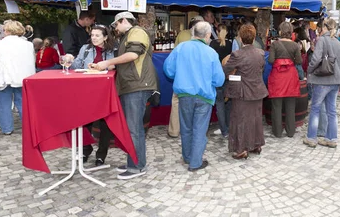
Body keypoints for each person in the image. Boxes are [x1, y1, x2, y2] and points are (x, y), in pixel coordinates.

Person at [89, 12, 158, 180]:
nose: (115, 28)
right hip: (132, 85)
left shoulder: (137, 32)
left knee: (134, 129)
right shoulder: (130, 34)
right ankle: (133, 162)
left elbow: (133, 55)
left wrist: (108, 62)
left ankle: (137, 167)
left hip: (136, 86)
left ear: (124, 21)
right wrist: (108, 67)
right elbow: (129, 61)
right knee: (133, 129)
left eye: (116, 25)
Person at [163, 21, 224, 170]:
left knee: (186, 127)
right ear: (208, 35)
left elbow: (168, 70)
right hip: (204, 97)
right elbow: (219, 80)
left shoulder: (181, 48)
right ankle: (195, 163)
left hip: (184, 94)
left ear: (193, 33)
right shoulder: (211, 53)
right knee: (199, 129)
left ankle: (187, 157)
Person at [67, 25, 116, 166]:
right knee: (84, 122)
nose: (94, 38)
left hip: (104, 91)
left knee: (104, 124)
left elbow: (116, 66)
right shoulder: (85, 48)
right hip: (86, 90)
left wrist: (107, 66)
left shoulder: (113, 50)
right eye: (92, 35)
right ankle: (85, 150)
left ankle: (101, 155)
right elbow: (76, 66)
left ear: (105, 37)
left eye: (97, 35)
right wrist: (70, 60)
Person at [222, 24, 267, 159]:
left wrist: (232, 75)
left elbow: (225, 70)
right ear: (254, 39)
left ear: (240, 39)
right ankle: (255, 145)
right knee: (255, 119)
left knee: (240, 119)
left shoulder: (237, 54)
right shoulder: (260, 53)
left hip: (242, 92)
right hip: (257, 90)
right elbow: (260, 70)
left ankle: (241, 149)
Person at [303, 19, 340, 148]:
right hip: (336, 80)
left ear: (324, 28)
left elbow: (316, 59)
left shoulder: (322, 40)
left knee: (315, 108)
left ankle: (311, 137)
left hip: (322, 79)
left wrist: (309, 70)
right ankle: (331, 139)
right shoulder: (339, 43)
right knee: (331, 111)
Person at [0, 20, 35, 135]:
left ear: (6, 31)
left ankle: (7, 129)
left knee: (3, 104)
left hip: (5, 78)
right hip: (23, 78)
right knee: (23, 103)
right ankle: (28, 127)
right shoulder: (28, 45)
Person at [267, 22, 302, 138]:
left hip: (278, 76)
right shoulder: (295, 45)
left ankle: (277, 132)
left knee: (276, 106)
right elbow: (299, 61)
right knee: (290, 106)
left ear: (280, 32)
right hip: (290, 76)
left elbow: (271, 60)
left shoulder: (275, 44)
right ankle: (290, 131)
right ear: (291, 32)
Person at [210, 24, 233, 138]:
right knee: (228, 103)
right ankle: (228, 127)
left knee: (219, 103)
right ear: (227, 32)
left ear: (217, 31)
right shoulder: (230, 44)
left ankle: (223, 129)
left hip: (217, 77)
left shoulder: (213, 44)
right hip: (228, 76)